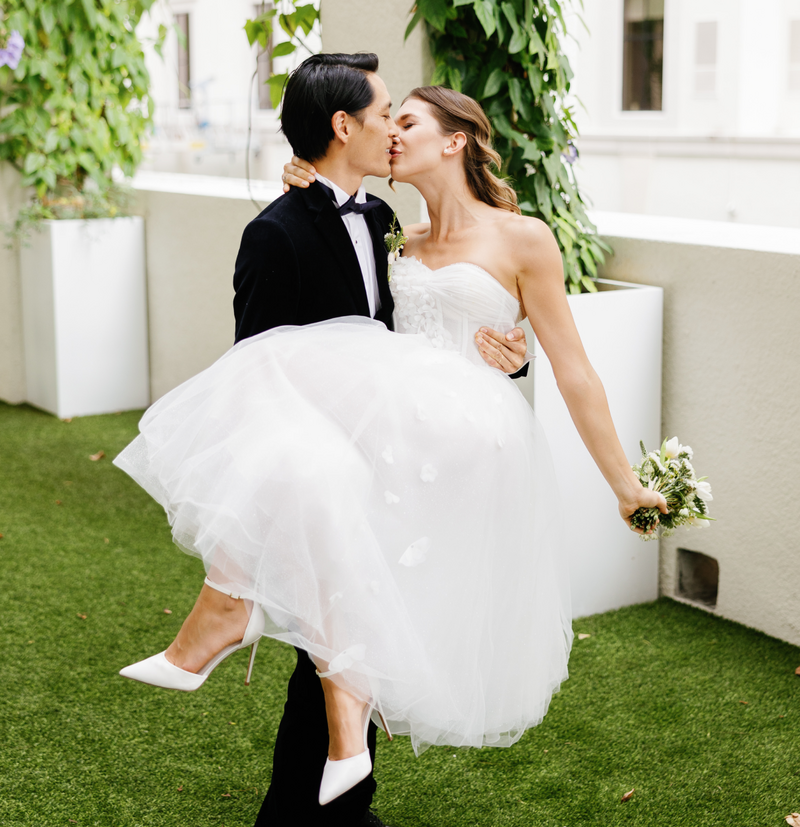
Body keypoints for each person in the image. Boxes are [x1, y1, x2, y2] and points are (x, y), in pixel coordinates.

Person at [114, 54, 537, 827]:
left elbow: (408, 342)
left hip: (401, 457)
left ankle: (331, 795)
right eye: (383, 117)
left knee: (362, 626)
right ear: (344, 126)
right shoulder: (274, 233)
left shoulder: (380, 222)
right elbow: (255, 372)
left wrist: (502, 361)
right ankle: (311, 808)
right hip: (320, 468)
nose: (390, 132)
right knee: (342, 629)